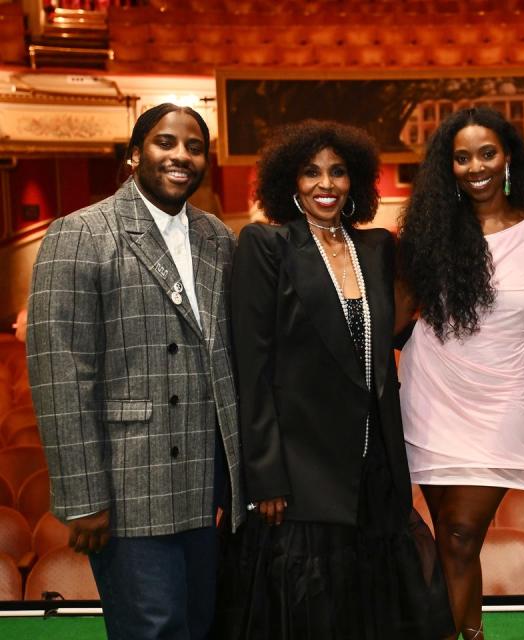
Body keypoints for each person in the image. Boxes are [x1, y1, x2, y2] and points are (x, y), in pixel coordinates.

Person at [219, 120, 451, 639]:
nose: (326, 184)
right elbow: (252, 371)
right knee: (310, 616)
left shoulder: (376, 247)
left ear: (357, 181)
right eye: (311, 172)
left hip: (374, 467)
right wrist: (266, 476)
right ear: (289, 182)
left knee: (370, 615)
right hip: (302, 472)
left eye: (338, 172)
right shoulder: (265, 245)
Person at [26, 103, 243, 638]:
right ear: (133, 154)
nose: (181, 156)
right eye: (165, 143)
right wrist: (84, 499)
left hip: (205, 481)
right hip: (129, 486)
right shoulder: (81, 232)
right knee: (153, 629)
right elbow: (60, 373)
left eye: (194, 147)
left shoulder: (218, 238)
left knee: (201, 626)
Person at [396, 106, 524, 639]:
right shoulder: (427, 230)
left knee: (462, 531)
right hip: (431, 390)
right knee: (451, 535)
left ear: (508, 156)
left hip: (500, 399)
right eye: (461, 157)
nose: (476, 167)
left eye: (486, 153)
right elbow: (399, 313)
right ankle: (467, 634)